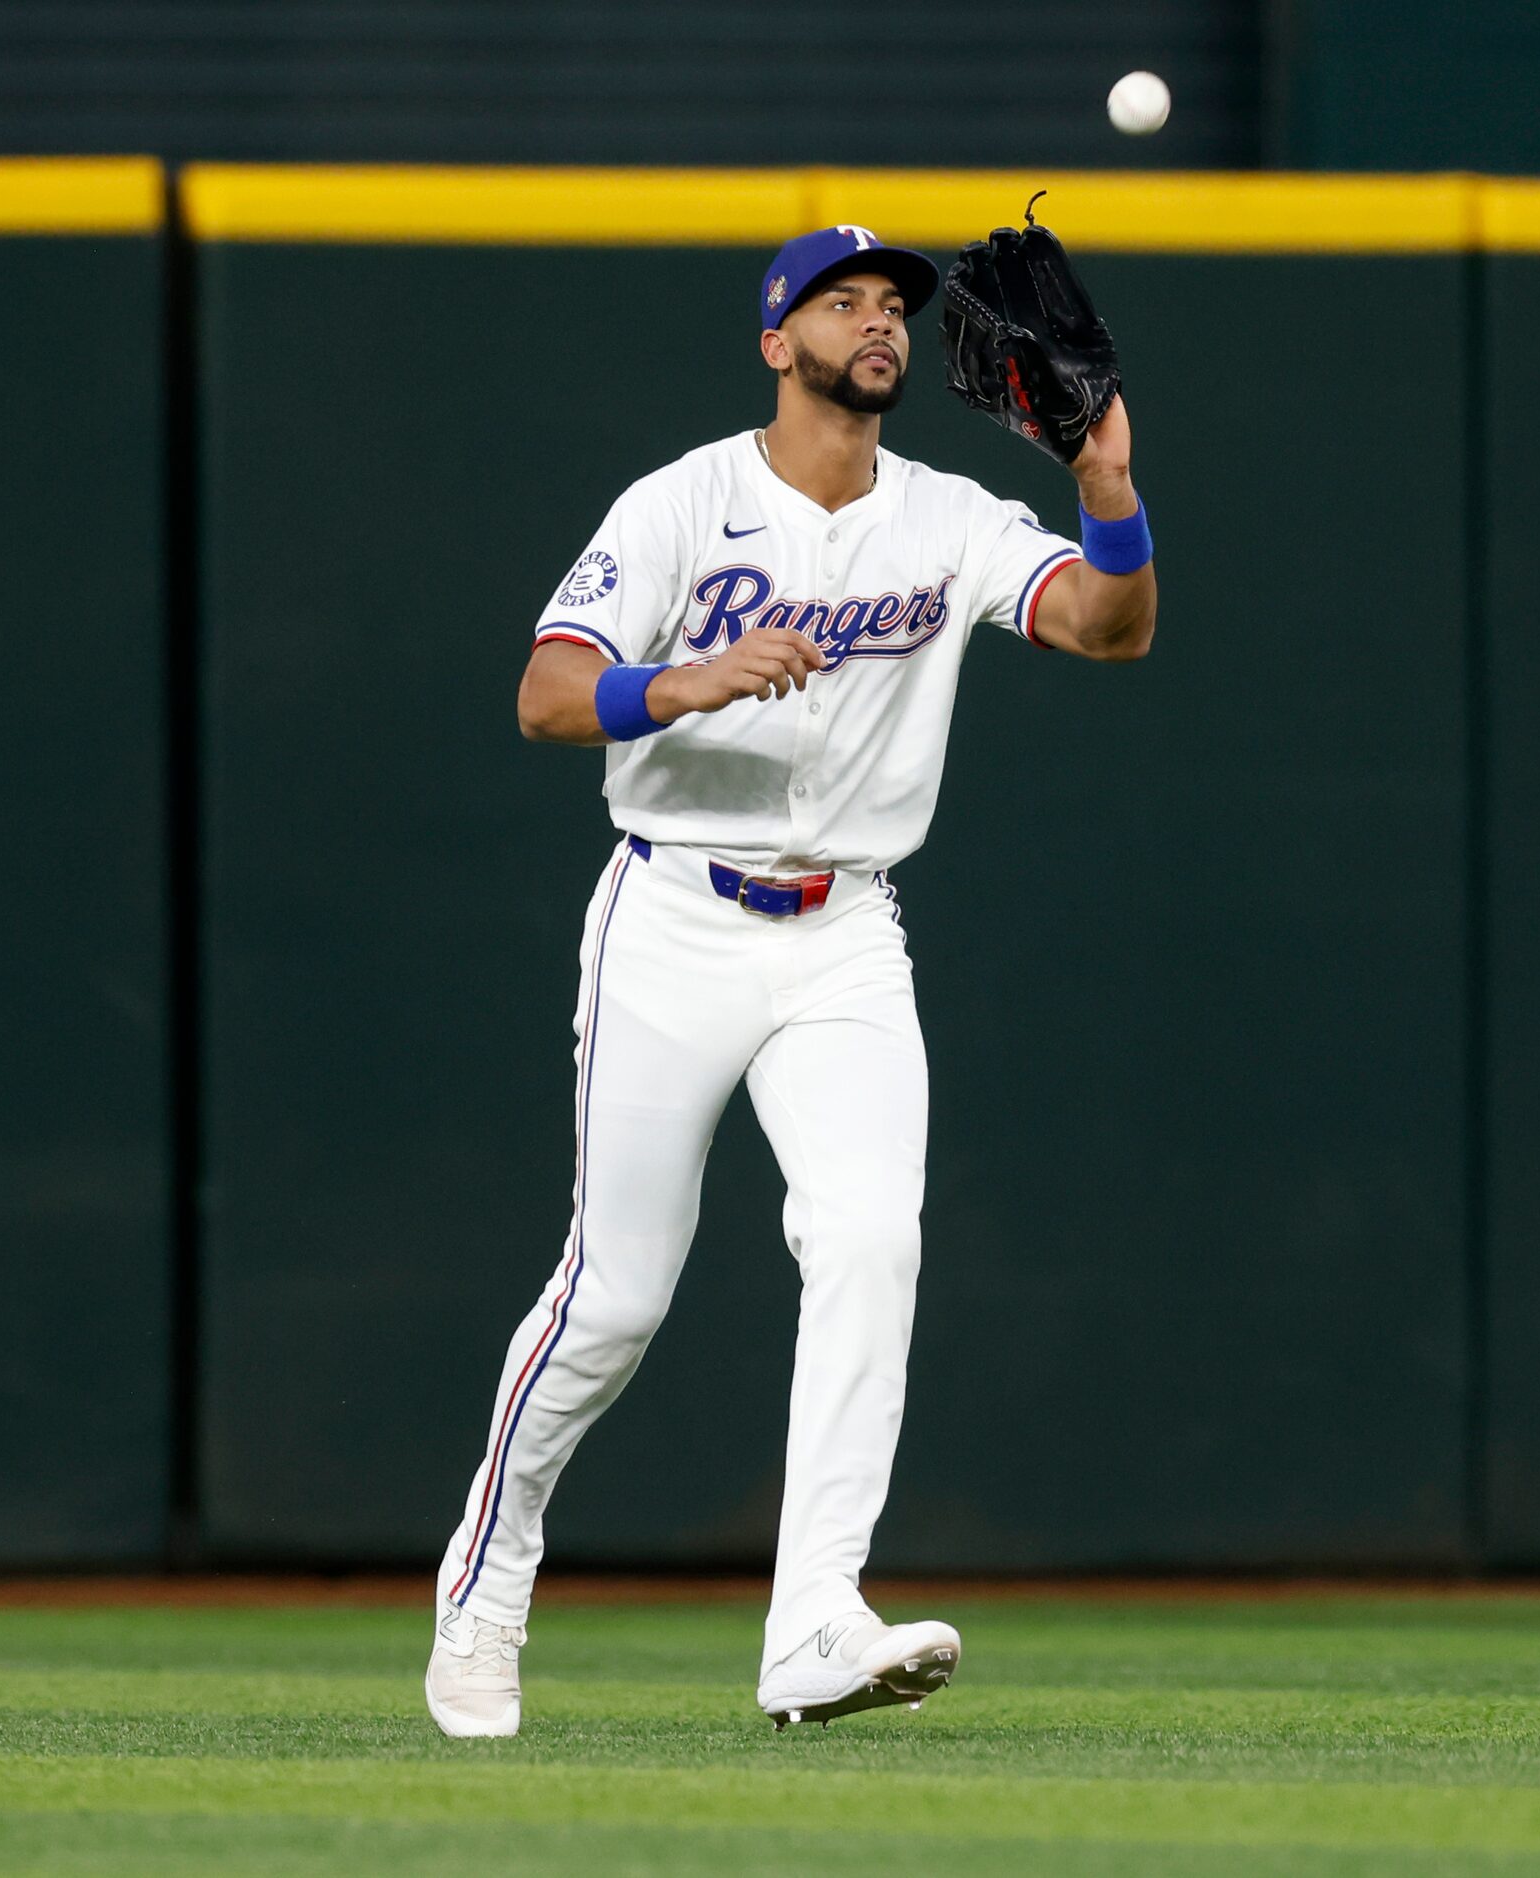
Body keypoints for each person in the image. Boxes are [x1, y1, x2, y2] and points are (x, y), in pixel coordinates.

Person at [422, 224, 1156, 1736]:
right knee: (616, 1299)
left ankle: (815, 1614)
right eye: (846, 301)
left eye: (895, 304)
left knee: (870, 1235)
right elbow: (543, 693)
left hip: (845, 928)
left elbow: (1107, 628)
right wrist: (674, 679)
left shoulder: (948, 518)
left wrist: (1106, 485)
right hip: (675, 908)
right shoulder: (684, 501)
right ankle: (488, 1585)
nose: (881, 322)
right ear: (778, 338)